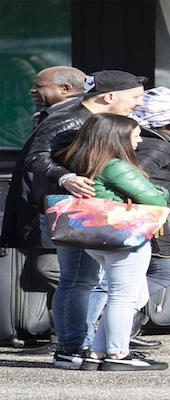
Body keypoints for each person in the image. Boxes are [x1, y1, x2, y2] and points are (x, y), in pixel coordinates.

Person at [23, 69, 146, 369]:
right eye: (134, 98)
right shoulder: (69, 119)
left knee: (87, 280)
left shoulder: (91, 120)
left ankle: (81, 345)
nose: (137, 105)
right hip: (76, 211)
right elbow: (35, 157)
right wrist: (65, 178)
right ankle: (72, 347)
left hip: (89, 211)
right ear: (110, 96)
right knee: (79, 279)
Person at [82, 86, 170, 350]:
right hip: (141, 220)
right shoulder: (158, 146)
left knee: (133, 282)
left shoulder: (160, 142)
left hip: (146, 218)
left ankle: (114, 331)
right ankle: (110, 331)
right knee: (136, 284)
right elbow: (136, 175)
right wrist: (154, 198)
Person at [54, 113, 169, 371]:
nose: (139, 140)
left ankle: (97, 352)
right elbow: (155, 199)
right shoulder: (115, 165)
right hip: (124, 236)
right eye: (135, 135)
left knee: (119, 294)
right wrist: (162, 191)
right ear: (117, 137)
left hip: (94, 237)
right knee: (124, 297)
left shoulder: (76, 160)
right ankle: (118, 354)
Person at [1, 66, 85, 310]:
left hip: (60, 206)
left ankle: (91, 323)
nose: (32, 90)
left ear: (65, 89)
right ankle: (63, 335)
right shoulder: (51, 114)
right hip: (42, 206)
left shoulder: (71, 117)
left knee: (53, 268)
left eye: (39, 86)